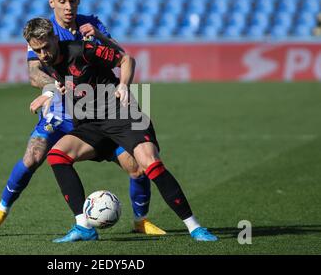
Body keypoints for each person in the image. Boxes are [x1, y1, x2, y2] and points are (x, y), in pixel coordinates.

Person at [0, 0, 165, 237]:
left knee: (136, 166)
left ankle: (140, 220)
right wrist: (55, 86)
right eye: (62, 1)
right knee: (32, 157)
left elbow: (120, 58)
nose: (69, 7)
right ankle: (0, 212)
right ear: (52, 2)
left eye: (73, 1)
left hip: (95, 111)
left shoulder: (92, 24)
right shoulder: (43, 31)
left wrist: (100, 36)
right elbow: (34, 73)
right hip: (61, 110)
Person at [22, 17, 218, 242]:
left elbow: (126, 59)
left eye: (47, 46)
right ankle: (83, 227)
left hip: (122, 114)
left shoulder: (83, 50)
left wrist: (123, 85)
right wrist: (49, 92)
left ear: (55, 38)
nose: (43, 53)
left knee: (150, 164)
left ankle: (194, 227)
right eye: (38, 50)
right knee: (57, 156)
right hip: (90, 123)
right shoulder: (45, 62)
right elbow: (55, 82)